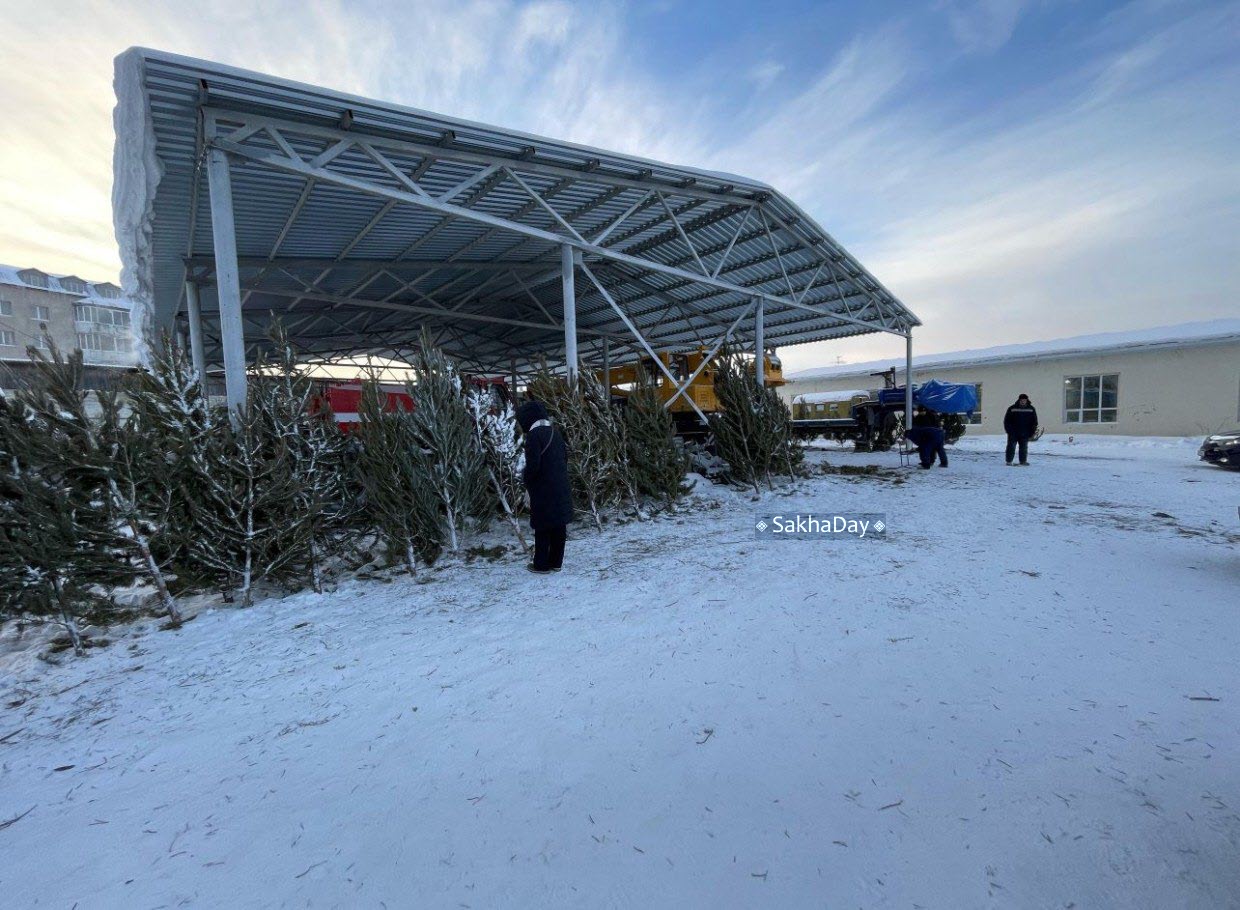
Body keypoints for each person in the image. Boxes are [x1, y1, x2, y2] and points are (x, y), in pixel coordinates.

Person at [515, 399, 573, 574]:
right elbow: (565, 458)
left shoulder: (534, 436)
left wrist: (526, 479)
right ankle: (556, 562)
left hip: (543, 488)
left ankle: (541, 564)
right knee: (558, 524)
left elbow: (533, 466)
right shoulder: (555, 432)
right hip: (561, 484)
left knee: (542, 526)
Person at [1003, 393, 1038, 466]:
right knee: (1011, 447)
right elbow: (1007, 421)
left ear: (1026, 400)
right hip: (1013, 433)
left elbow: (1034, 421)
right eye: (1021, 400)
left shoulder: (1031, 409)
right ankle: (1009, 461)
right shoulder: (1012, 408)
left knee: (1024, 448)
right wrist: (1009, 431)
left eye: (1024, 400)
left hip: (1025, 432)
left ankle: (1023, 461)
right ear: (1019, 400)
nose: (1023, 401)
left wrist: (1032, 431)